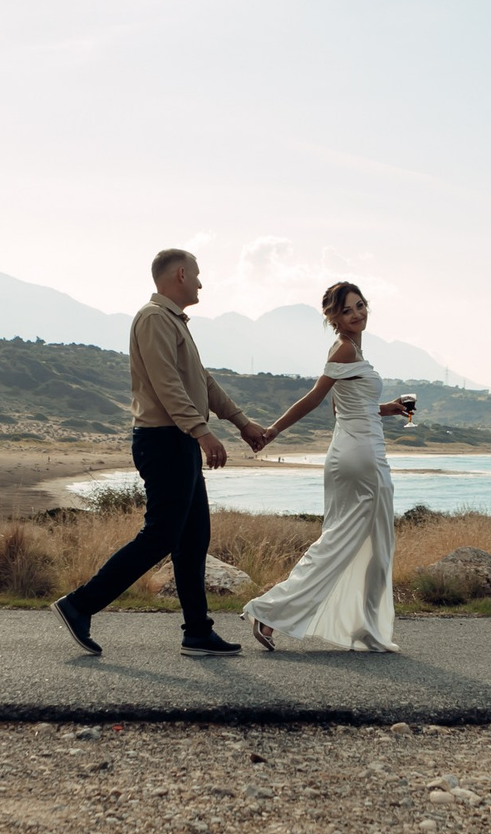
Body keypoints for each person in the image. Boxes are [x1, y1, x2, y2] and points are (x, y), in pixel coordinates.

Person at [50, 249, 271, 657]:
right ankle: (79, 604)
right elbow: (167, 384)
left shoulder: (174, 322)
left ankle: (197, 632)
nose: (201, 283)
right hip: (164, 440)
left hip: (177, 440)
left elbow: (202, 381)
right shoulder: (153, 318)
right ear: (181, 274)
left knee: (193, 538)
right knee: (161, 536)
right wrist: (203, 432)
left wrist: (241, 422)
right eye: (198, 275)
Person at [240, 281, 411, 652]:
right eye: (347, 310)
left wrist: (386, 408)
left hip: (352, 452)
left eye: (360, 305)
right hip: (363, 457)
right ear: (334, 318)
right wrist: (272, 432)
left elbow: (342, 407)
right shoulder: (345, 349)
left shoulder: (351, 352)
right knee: (356, 545)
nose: (357, 314)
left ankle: (363, 626)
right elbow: (314, 399)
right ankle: (271, 612)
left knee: (360, 544)